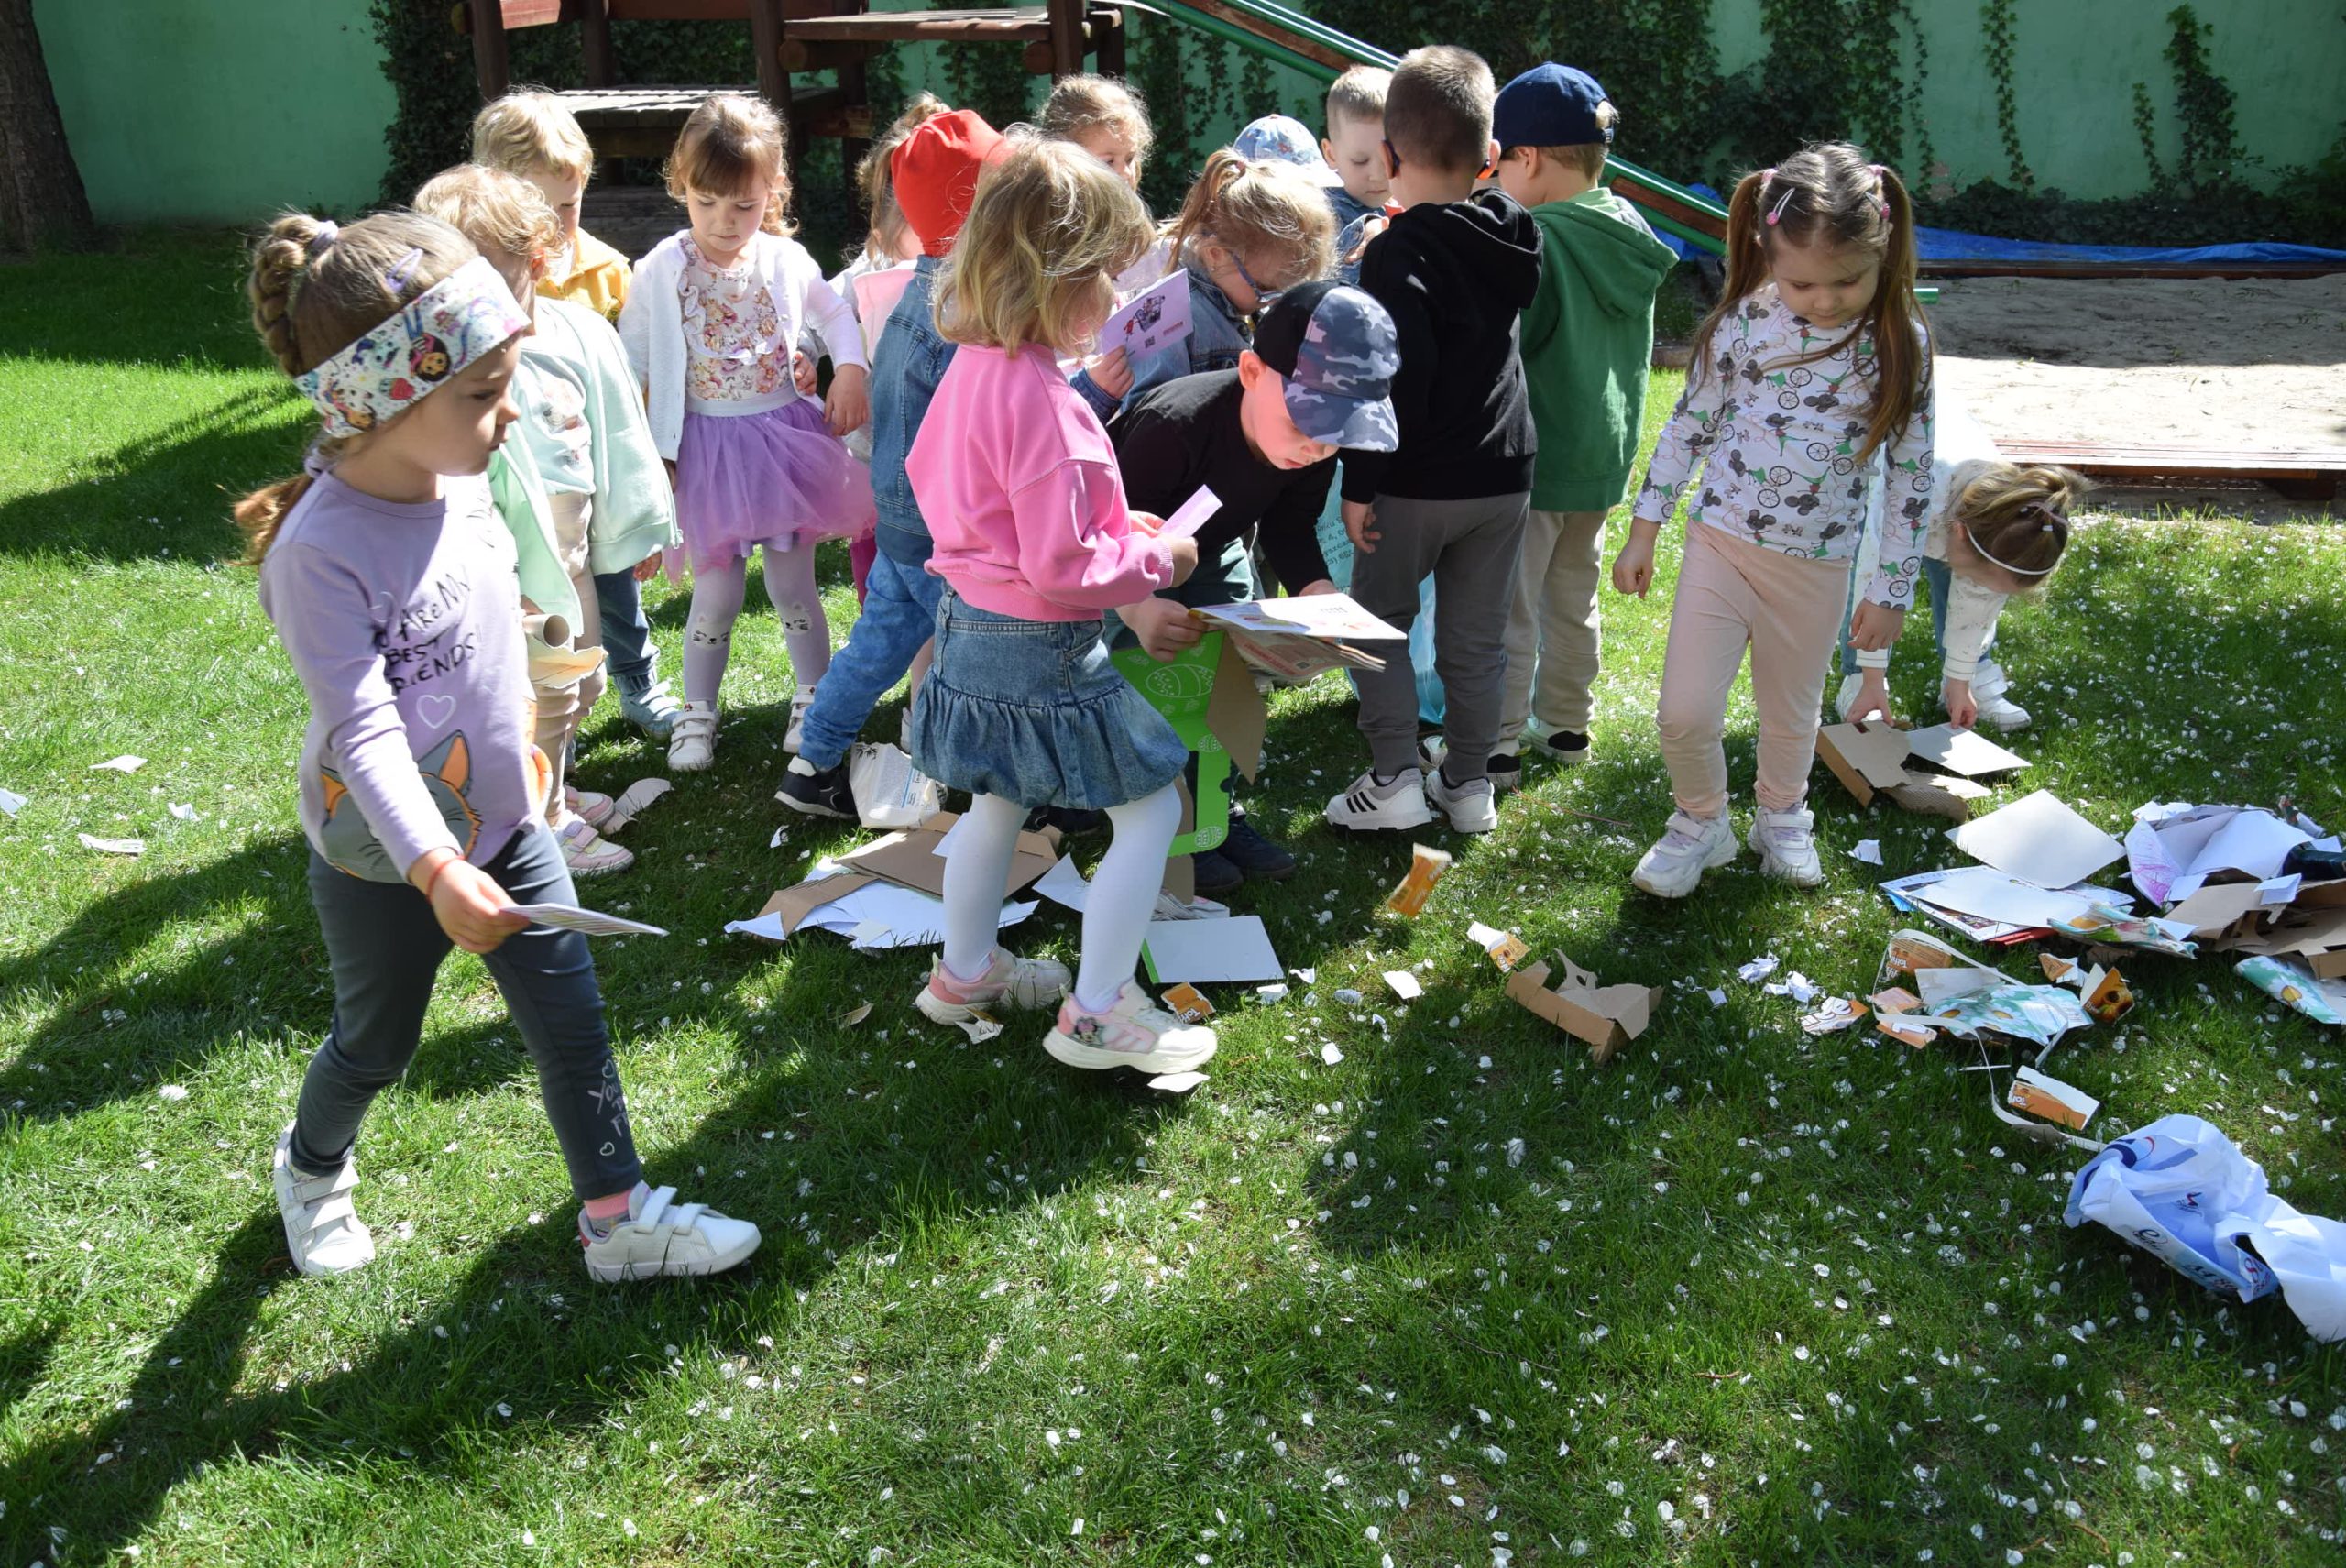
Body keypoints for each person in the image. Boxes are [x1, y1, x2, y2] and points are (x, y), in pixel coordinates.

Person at [236, 210, 759, 1282]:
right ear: (380, 400)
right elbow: (364, 727)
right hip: (386, 858)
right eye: (481, 394)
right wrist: (435, 869)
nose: (507, 409)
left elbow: (482, 624)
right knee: (376, 1043)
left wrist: (525, 712)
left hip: (508, 821)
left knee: (573, 1022)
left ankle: (616, 1221)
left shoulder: (464, 483)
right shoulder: (317, 552)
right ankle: (312, 1163)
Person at [905, 135, 1216, 1075]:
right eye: (1108, 276)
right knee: (1151, 811)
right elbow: (1063, 568)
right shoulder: (1050, 403)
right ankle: (1099, 1012)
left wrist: (1115, 524)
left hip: (967, 626)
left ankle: (965, 973)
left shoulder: (974, 367)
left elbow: (958, 488)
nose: (1119, 299)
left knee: (995, 802)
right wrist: (1156, 556)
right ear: (1057, 277)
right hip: (1043, 644)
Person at [1612, 141, 1935, 897]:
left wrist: (1891, 589)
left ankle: (1782, 817)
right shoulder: (1745, 323)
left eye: (1846, 280)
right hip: (1721, 546)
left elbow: (1912, 475)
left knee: (1792, 717)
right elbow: (1688, 424)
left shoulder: (1900, 343)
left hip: (1819, 565)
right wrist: (1644, 527)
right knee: (1684, 711)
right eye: (1802, 282)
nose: (1823, 300)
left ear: (1884, 251)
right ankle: (1701, 821)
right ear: (1767, 253)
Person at [413, 166, 678, 878]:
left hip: (570, 554)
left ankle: (549, 785)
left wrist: (634, 528)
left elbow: (617, 435)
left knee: (581, 682)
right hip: (505, 568)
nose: (469, 302)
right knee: (537, 694)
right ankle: (544, 819)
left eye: (488, 279)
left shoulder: (570, 335)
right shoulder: (447, 363)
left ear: (534, 262)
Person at [1108, 280, 1401, 894]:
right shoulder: (1172, 426)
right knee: (1150, 689)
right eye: (1305, 422)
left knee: (1225, 682)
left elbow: (1291, 526)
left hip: (1214, 551)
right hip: (1125, 564)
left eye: (1336, 433)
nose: (1315, 446)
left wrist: (1318, 594)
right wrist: (1138, 609)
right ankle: (1159, 821)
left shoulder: (1308, 451)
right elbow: (1105, 541)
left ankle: (1216, 814)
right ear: (1250, 372)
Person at [618, 93, 873, 773]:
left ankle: (814, 700)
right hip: (706, 452)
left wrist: (848, 369)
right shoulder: (660, 269)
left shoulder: (785, 258)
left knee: (794, 589)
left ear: (774, 191)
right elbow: (630, 362)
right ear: (680, 184)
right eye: (706, 202)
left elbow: (834, 314)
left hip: (784, 445)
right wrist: (641, 457)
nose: (724, 222)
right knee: (717, 594)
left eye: (744, 205)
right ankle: (698, 711)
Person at [1322, 46, 1540, 837]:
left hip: (1412, 478)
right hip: (1504, 474)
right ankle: (1469, 782)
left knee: (1375, 624)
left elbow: (1392, 383)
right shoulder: (1514, 227)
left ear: (1387, 157)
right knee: (1476, 639)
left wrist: (1358, 486)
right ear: (1490, 157)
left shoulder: (1394, 252)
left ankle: (1393, 779)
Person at [778, 108, 1008, 819]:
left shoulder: (917, 292)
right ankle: (989, 782)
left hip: (901, 515)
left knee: (876, 647)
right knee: (980, 654)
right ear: (976, 209)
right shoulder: (963, 310)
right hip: (942, 525)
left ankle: (812, 763)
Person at [471, 91, 682, 740]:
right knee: (530, 597)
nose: (559, 224)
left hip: (591, 466)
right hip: (514, 470)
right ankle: (533, 710)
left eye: (570, 204)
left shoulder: (606, 272)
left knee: (615, 583)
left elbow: (630, 380)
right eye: (542, 209)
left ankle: (638, 681)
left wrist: (642, 486)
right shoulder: (476, 272)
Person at [1488, 62, 1678, 783]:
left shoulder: (1535, 237)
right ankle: (1567, 724)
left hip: (1536, 456)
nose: (1494, 178)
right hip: (1600, 457)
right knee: (1574, 598)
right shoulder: (1628, 228)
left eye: (1499, 163)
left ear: (1529, 158)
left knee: (1512, 609)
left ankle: (1498, 742)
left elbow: (1512, 343)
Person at [1832, 394, 2085, 729]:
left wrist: (1959, 678)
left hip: (1953, 512)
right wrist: (1871, 676)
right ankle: (1858, 680)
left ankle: (1969, 675)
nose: (1981, 591)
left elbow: (1979, 604)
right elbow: (1875, 578)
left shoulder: (2004, 528)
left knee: (1975, 579)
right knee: (1874, 587)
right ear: (1960, 533)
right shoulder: (1917, 493)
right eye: (1979, 583)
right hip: (1886, 480)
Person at [817, 93, 948, 603]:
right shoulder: (867, 273)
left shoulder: (965, 276)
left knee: (934, 567)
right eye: (920, 221)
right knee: (875, 568)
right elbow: (818, 314)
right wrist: (818, 360)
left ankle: (930, 645)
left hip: (942, 454)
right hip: (876, 450)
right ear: (885, 229)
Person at [1121, 150, 1338, 403]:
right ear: (1216, 255)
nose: (1273, 301)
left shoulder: (1244, 297)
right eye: (1264, 287)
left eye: (1286, 290)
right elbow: (1148, 413)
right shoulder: (1170, 318)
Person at [1321, 65, 1394, 233]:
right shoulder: (1327, 216)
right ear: (1331, 155)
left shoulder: (1403, 200)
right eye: (1360, 161)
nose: (1377, 176)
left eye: (1390, 159)